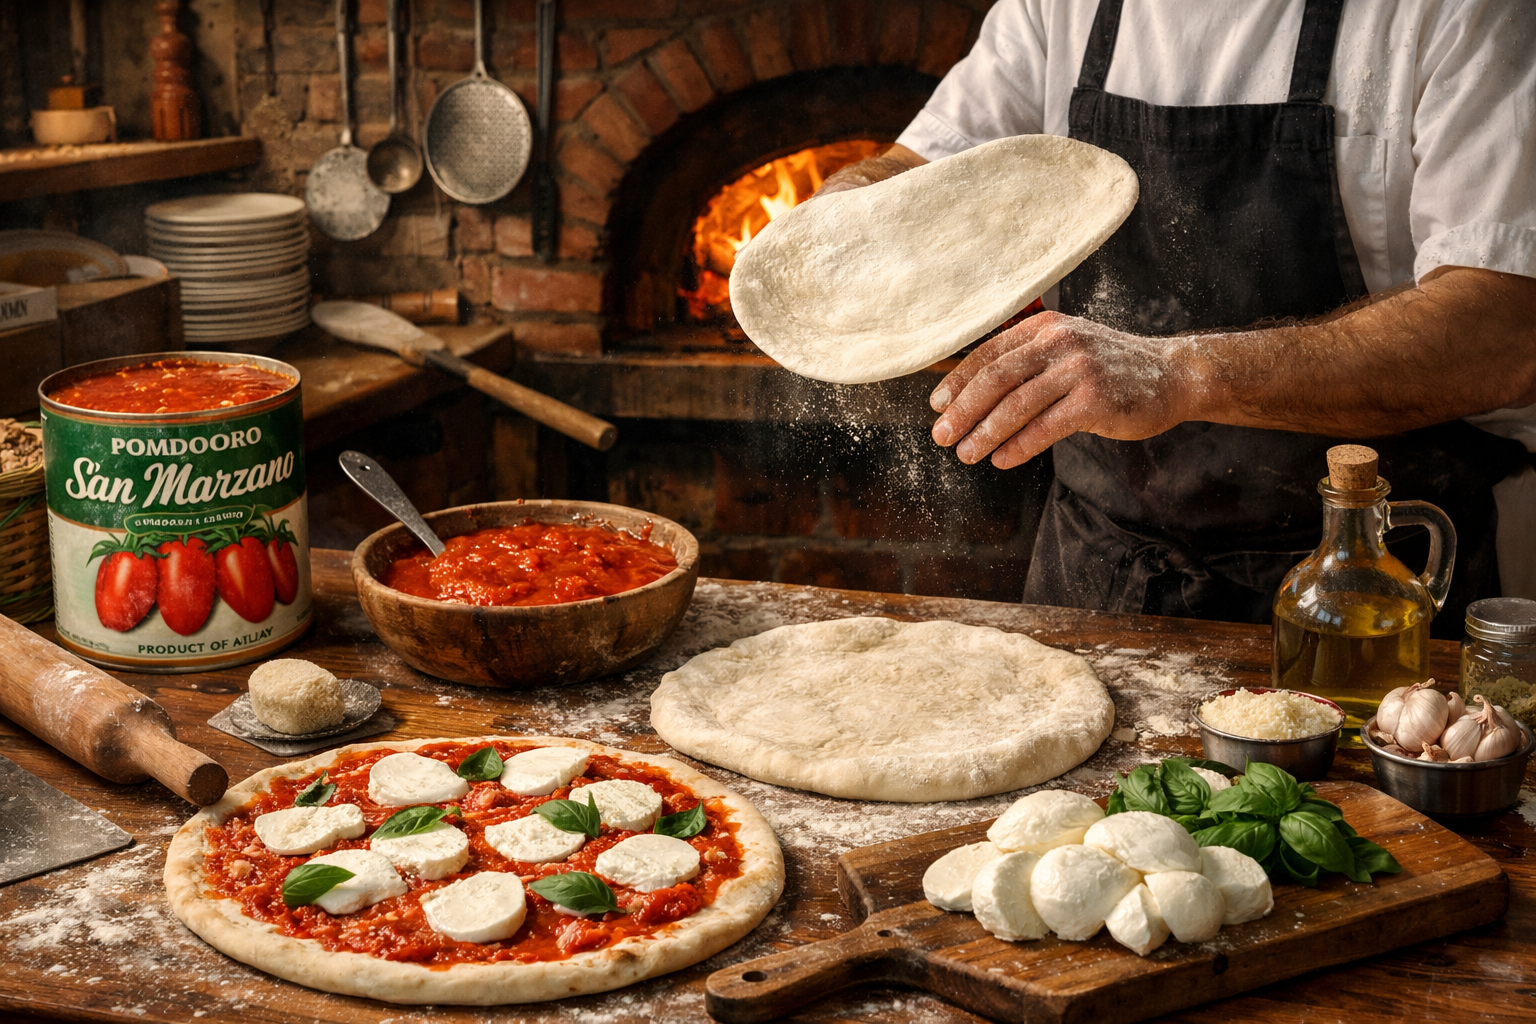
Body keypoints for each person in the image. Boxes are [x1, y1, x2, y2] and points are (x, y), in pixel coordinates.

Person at [819, 0, 1536, 635]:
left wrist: (1180, 373)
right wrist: (849, 206)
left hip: (1364, 591)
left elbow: (1502, 330)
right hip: (1101, 570)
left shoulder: (1458, 13)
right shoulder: (1055, 7)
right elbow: (923, 176)